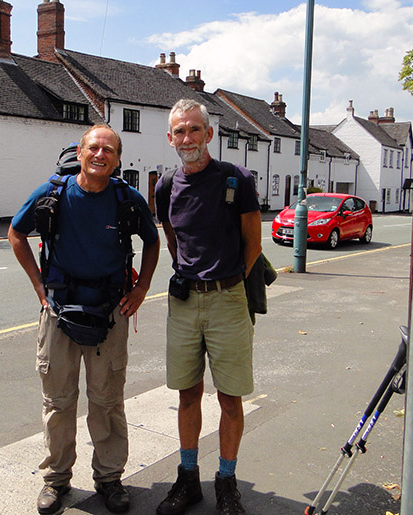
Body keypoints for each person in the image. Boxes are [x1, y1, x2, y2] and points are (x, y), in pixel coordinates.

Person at [8, 124, 160, 514]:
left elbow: (153, 240)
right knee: (58, 403)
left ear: (118, 158)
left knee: (107, 402)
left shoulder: (127, 198)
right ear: (81, 150)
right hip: (58, 311)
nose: (100, 155)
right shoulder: (53, 193)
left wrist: (141, 289)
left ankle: (109, 479)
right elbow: (15, 233)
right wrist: (39, 287)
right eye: (94, 147)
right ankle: (56, 480)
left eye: (109, 150)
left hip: (109, 312)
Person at [154, 99, 261, 515]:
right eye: (179, 132)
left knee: (231, 398)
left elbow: (253, 244)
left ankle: (227, 481)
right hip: (184, 302)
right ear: (170, 138)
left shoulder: (237, 179)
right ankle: (187, 480)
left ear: (209, 133)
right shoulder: (165, 186)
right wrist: (193, 275)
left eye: (194, 130)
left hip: (228, 299)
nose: (187, 139)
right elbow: (172, 239)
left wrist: (226, 281)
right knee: (187, 394)